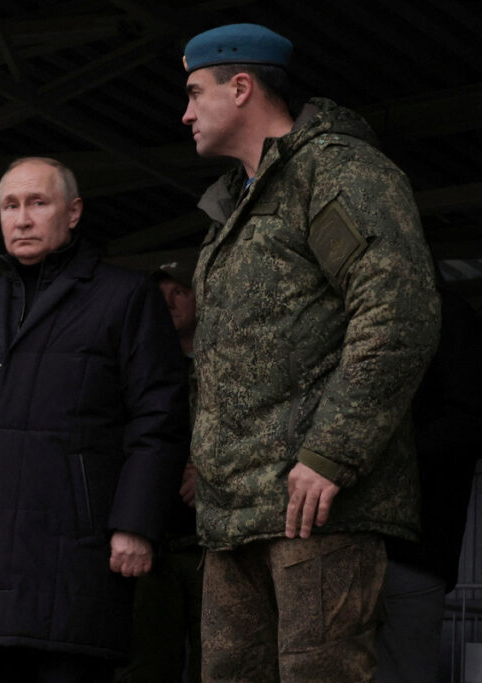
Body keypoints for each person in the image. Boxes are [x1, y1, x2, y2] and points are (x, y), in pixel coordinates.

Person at [180, 23, 440, 681]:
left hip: (315, 510)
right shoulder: (233, 210)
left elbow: (397, 313)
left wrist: (332, 452)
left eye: (193, 93)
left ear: (240, 87)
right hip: (233, 514)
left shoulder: (334, 172)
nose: (184, 113)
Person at [0, 157, 190, 682]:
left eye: (38, 203)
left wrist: (136, 522)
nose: (22, 218)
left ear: (74, 211)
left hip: (77, 566)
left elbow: (159, 418)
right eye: (10, 206)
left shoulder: (124, 298)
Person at [376, 279, 482, 683]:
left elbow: (470, 421)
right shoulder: (359, 318)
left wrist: (387, 455)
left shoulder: (447, 316)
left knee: (402, 666)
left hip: (413, 545)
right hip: (344, 543)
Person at [117, 261, 201, 683]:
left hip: (212, 544)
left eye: (180, 292)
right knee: (147, 664)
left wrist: (208, 469)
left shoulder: (224, 364)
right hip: (153, 542)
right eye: (160, 295)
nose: (169, 303)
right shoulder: (134, 367)